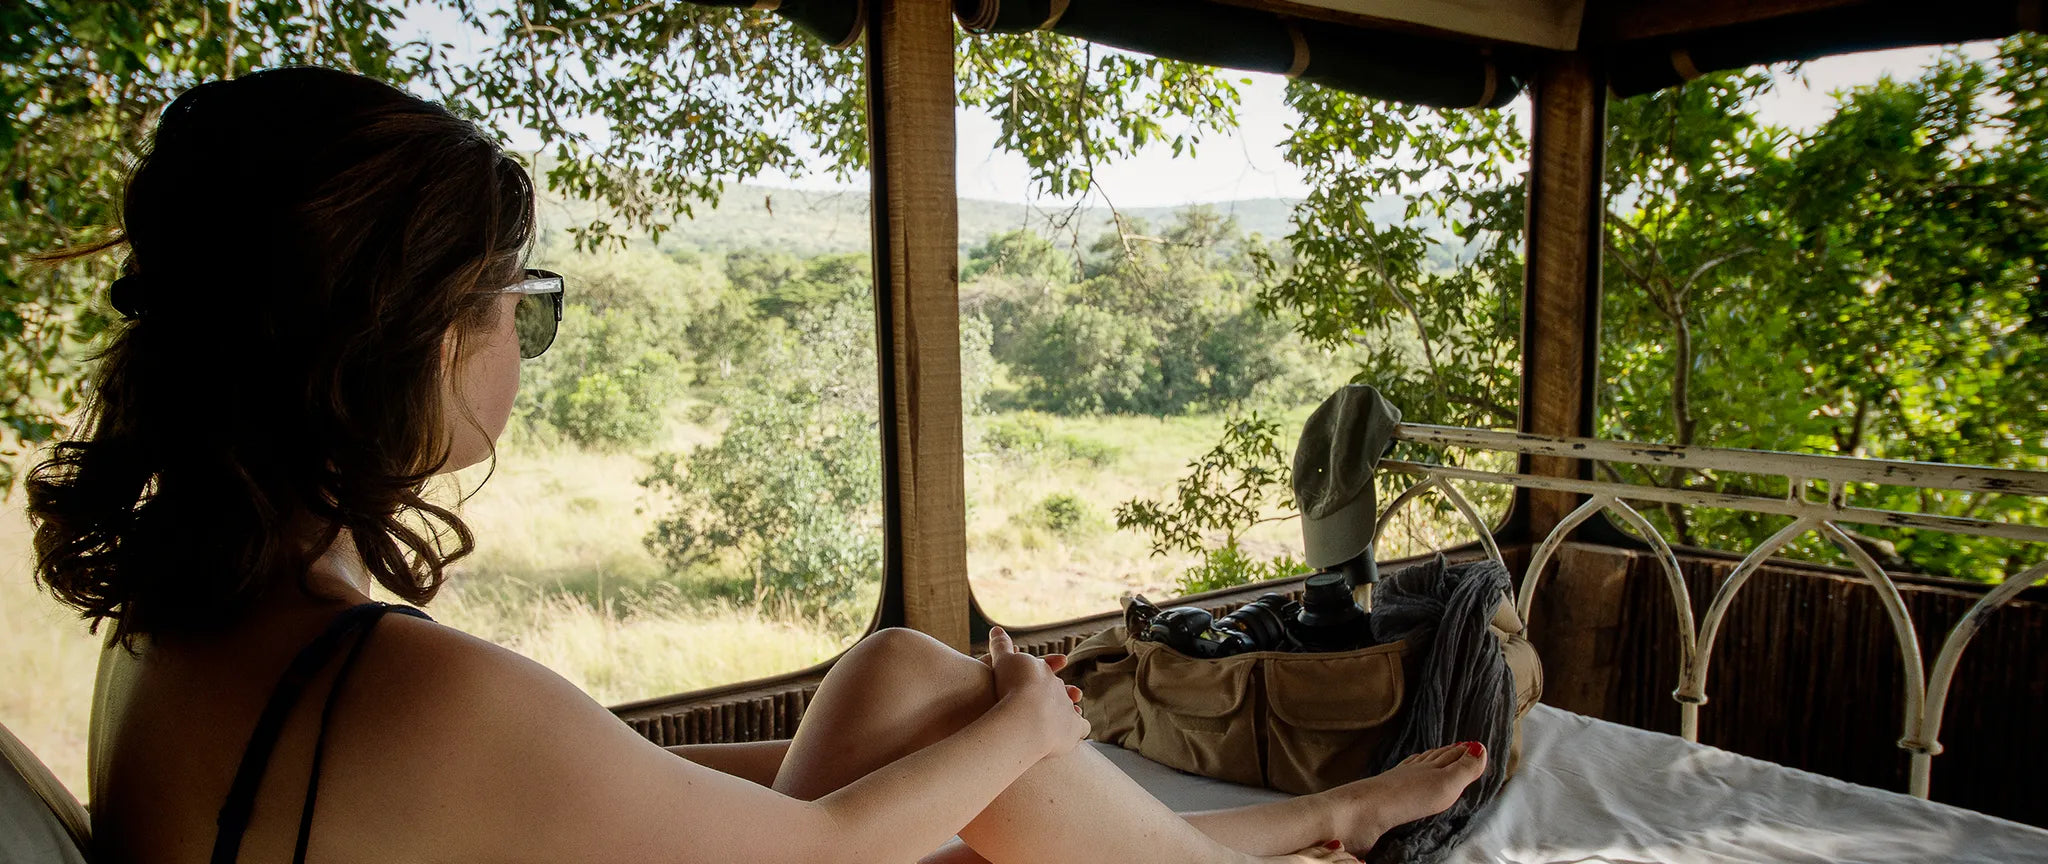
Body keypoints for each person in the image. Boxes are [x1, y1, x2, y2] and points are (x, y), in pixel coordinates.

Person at [26, 66, 1484, 864]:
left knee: (910, 685)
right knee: (954, 729)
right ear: (393, 339)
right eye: (513, 304)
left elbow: (602, 794)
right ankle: (1301, 841)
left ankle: (1306, 824)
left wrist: (970, 731)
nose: (522, 348)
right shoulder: (390, 687)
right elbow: (824, 860)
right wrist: (1030, 721)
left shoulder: (188, 631)